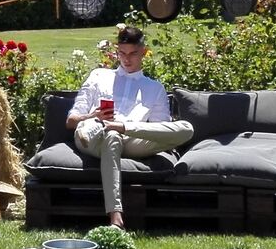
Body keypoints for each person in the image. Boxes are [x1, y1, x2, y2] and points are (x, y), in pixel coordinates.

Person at [66, 25, 193, 229]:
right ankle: (116, 218)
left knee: (186, 128)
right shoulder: (99, 76)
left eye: (133, 53)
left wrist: (125, 127)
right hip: (95, 137)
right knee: (112, 137)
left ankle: (121, 127)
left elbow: (159, 129)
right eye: (122, 53)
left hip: (132, 140)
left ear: (143, 52)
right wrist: (93, 115)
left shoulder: (154, 88)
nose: (126, 59)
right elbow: (71, 121)